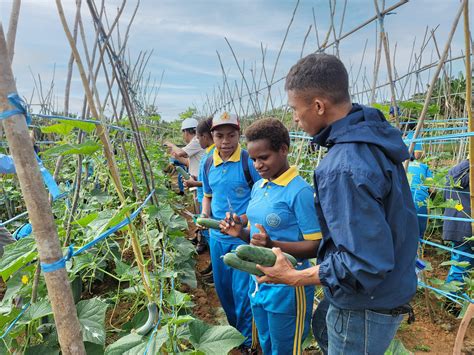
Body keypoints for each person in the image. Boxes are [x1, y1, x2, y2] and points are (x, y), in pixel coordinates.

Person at [255, 53, 419, 355]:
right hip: (385, 292)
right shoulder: (373, 138)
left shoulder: (344, 166)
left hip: (365, 306)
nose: (294, 118)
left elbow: (364, 263)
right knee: (324, 329)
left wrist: (294, 277)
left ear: (318, 106)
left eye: (295, 109)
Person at [221, 117, 322, 355]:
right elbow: (257, 239)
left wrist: (272, 244)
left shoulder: (300, 192)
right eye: (254, 159)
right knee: (265, 341)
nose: (257, 165)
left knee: (285, 348)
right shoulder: (259, 187)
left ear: (284, 150)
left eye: (264, 157)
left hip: (288, 284)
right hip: (258, 279)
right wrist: (240, 232)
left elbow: (316, 246)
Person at [201, 112, 261, 353]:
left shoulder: (249, 162)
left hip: (241, 237)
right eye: (219, 135)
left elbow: (260, 199)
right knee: (223, 288)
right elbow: (208, 194)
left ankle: (247, 342)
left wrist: (241, 220)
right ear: (212, 136)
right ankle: (234, 332)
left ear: (239, 135)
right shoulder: (208, 162)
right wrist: (205, 214)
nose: (225, 141)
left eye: (231, 135)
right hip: (216, 236)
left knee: (242, 292)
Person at [184, 117, 215, 255]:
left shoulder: (212, 156)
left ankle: (209, 251)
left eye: (198, 137)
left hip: (208, 199)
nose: (197, 140)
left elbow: (213, 184)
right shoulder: (208, 154)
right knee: (206, 226)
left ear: (204, 136)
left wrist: (193, 183)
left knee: (209, 227)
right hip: (204, 197)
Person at [443, 160, 473, 286]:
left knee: (459, 264)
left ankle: (451, 300)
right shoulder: (470, 174)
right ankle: (451, 301)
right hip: (467, 227)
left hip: (454, 225)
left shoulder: (454, 171)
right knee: (461, 266)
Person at [407, 155, 433, 238]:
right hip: (420, 201)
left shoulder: (399, 166)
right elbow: (432, 189)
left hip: (402, 201)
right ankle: (419, 249)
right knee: (419, 234)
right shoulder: (424, 166)